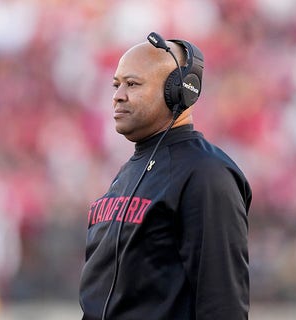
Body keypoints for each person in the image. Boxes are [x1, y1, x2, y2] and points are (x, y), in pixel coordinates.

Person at [79, 32, 252, 320]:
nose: (117, 95)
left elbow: (223, 307)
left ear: (179, 91)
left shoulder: (206, 173)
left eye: (132, 84)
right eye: (116, 84)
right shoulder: (127, 173)